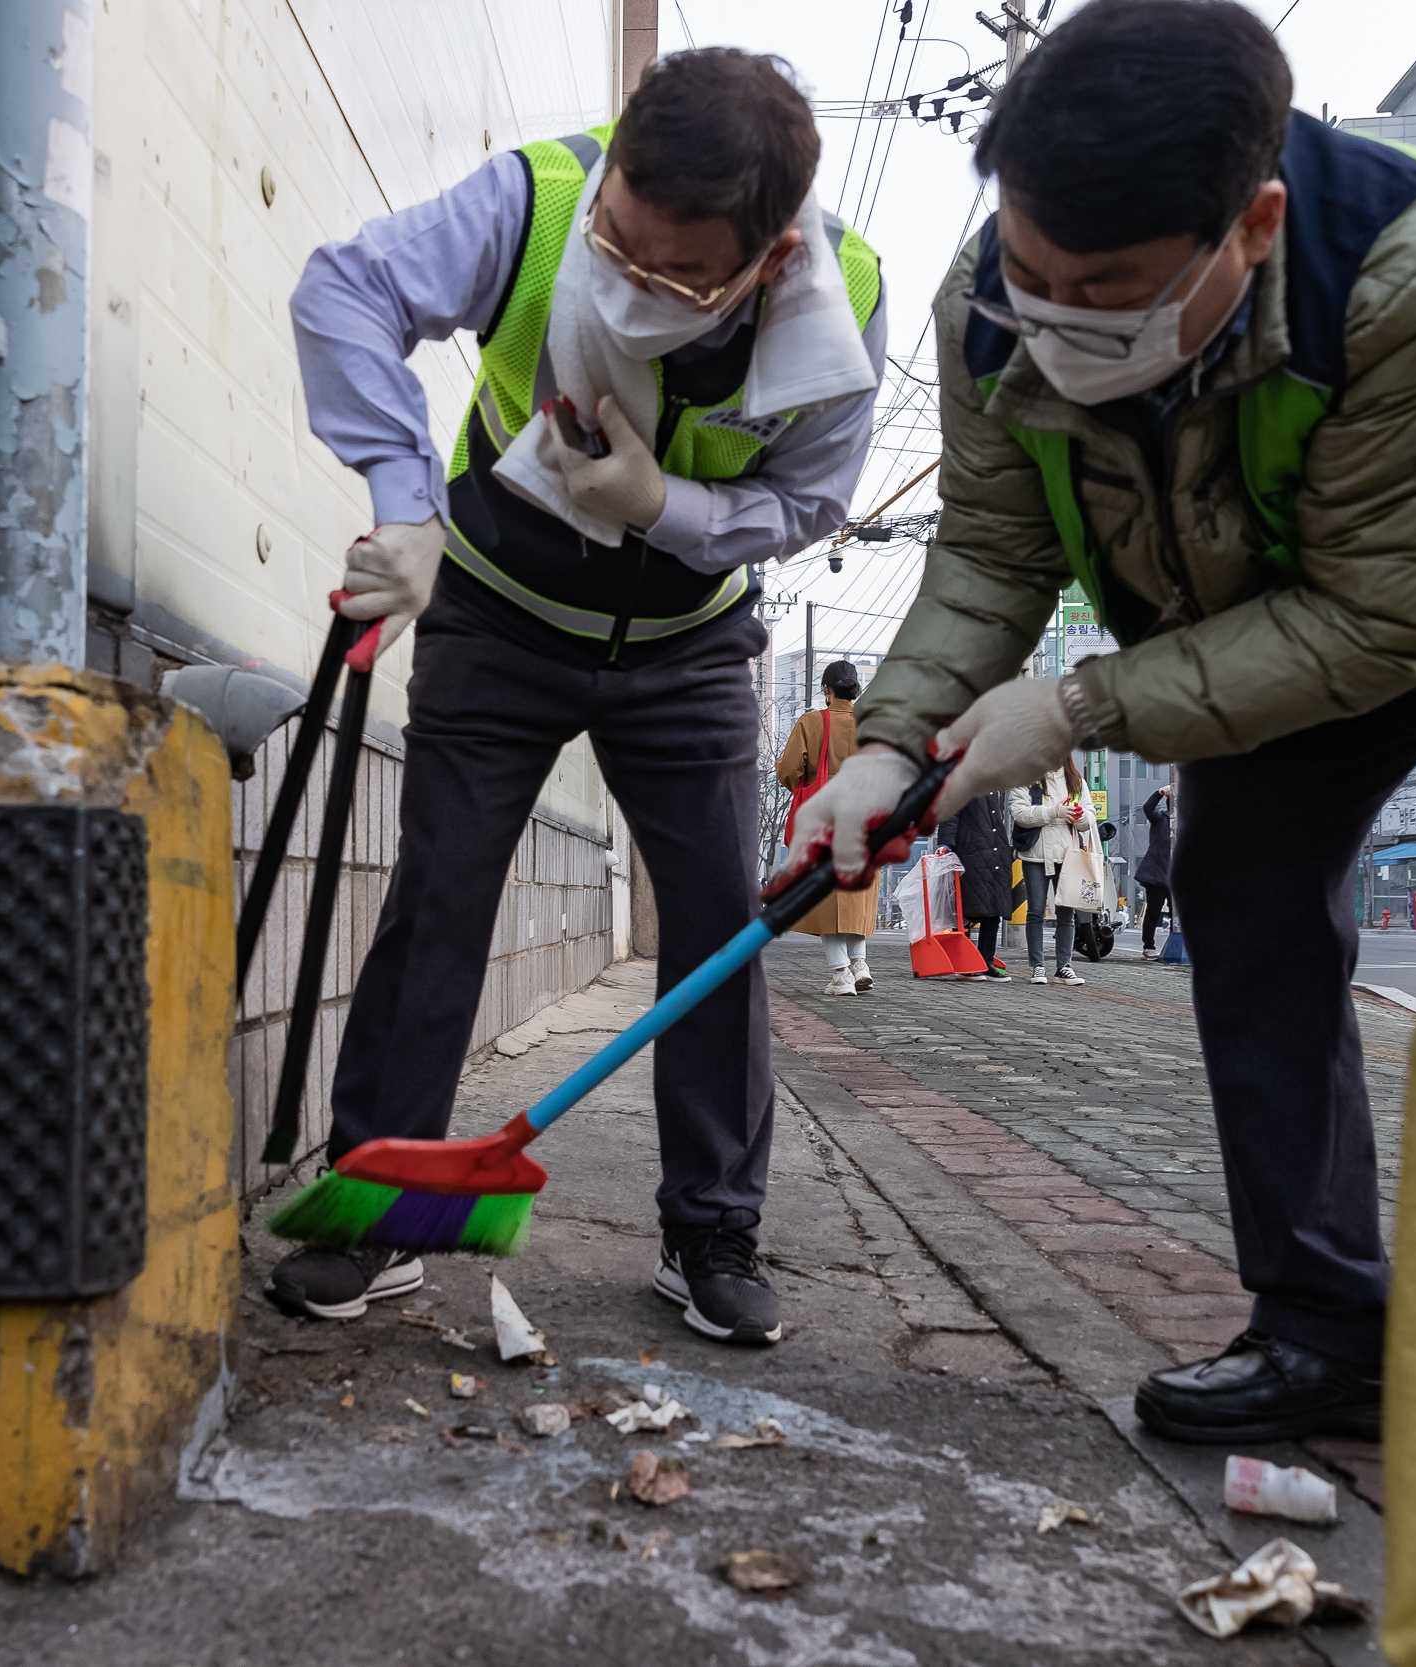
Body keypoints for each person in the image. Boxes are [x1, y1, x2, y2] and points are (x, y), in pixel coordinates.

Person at [787, 0, 1416, 1439]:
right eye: (1034, 276)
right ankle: (1327, 1322)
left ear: (1255, 225)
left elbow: (1391, 616)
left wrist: (1084, 702)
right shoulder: (994, 303)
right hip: (1256, 612)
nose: (1060, 322)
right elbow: (990, 551)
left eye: (1108, 289)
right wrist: (896, 744)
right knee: (1244, 891)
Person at [277, 48, 888, 1345]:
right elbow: (346, 288)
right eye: (618, 238)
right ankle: (377, 1212)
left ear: (767, 260)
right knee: (439, 896)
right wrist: (404, 503)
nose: (623, 276)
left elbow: (814, 501)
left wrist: (669, 508)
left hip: (689, 648)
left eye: (672, 275)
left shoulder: (846, 307)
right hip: (497, 611)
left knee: (722, 923)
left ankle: (710, 1228)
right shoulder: (542, 197)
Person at [775, 661, 878, 993]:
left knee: (826, 894)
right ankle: (860, 963)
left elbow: (791, 771)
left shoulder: (812, 722)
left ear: (826, 690)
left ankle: (841, 974)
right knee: (855, 893)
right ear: (856, 690)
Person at [1007, 757, 1095, 987]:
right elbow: (1019, 813)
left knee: (1066, 913)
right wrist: (1055, 811)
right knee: (1035, 911)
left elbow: (1090, 816)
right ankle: (1037, 965)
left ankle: (1064, 966)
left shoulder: (1076, 781)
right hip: (1035, 854)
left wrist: (1080, 816)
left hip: (1068, 855)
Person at [934, 789, 1012, 981]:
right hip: (971, 853)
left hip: (995, 853)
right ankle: (965, 962)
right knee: (965, 911)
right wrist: (945, 843)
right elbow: (950, 813)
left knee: (994, 910)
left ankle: (986, 962)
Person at [1135, 782, 1173, 958]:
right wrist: (1161, 792)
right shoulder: (1160, 819)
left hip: (1176, 876)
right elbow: (1147, 807)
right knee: (1153, 911)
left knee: (1179, 914)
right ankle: (1148, 946)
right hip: (1156, 874)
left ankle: (1181, 943)